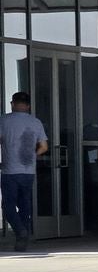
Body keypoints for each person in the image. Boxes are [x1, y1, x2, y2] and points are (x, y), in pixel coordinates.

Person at [1, 91, 49, 251]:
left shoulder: (4, 121)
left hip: (10, 171)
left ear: (12, 104)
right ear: (28, 106)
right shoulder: (36, 122)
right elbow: (44, 147)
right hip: (28, 171)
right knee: (25, 205)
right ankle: (23, 237)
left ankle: (20, 231)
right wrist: (32, 155)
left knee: (8, 206)